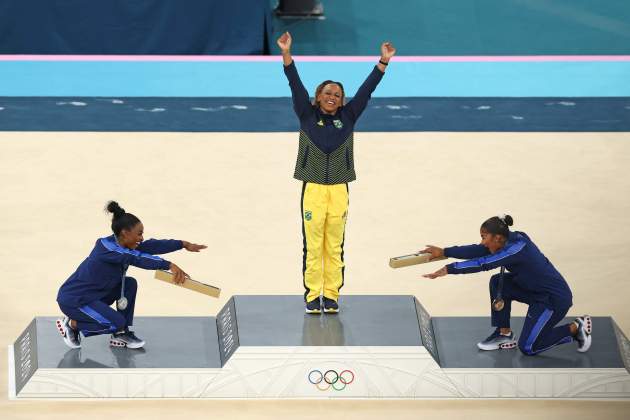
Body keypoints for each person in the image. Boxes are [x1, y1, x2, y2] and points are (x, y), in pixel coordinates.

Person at [277, 31, 396, 314]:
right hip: (314, 190)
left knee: (334, 245)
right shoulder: (306, 114)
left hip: (340, 189)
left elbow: (366, 91)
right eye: (327, 93)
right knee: (313, 244)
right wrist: (286, 54)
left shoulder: (349, 116)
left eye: (337, 95)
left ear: (342, 102)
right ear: (318, 97)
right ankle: (311, 295)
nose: (332, 97)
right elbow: (295, 84)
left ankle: (330, 295)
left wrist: (383, 61)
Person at [421, 215, 592, 355]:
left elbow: (483, 263)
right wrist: (444, 252)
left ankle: (576, 328)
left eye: (484, 237)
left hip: (552, 300)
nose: (482, 242)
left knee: (528, 347)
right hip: (532, 290)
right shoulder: (504, 241)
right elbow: (478, 250)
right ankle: (504, 334)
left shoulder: (517, 248)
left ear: (498, 237)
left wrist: (449, 269)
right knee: (498, 282)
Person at [55, 201, 206, 349]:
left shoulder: (126, 243)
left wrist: (183, 244)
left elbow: (153, 245)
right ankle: (73, 324)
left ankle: (121, 334)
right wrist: (169, 265)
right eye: (139, 234)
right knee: (116, 322)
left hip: (96, 295)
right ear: (125, 233)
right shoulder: (106, 247)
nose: (141, 238)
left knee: (129, 283)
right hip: (75, 299)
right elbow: (135, 258)